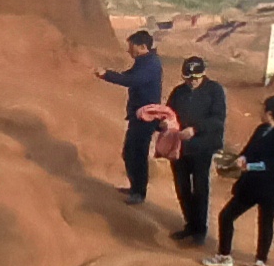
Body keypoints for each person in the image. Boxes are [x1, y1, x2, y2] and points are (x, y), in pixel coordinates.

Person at [202, 93, 274, 266]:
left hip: (272, 186)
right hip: (251, 184)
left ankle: (260, 262)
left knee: (265, 223)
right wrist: (242, 159)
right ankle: (224, 255)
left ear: (270, 112)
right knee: (227, 216)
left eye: (264, 108)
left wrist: (249, 166)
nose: (261, 111)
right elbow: (250, 149)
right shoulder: (262, 129)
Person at [164, 55, 227, 243]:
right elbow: (169, 113)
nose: (192, 81)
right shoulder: (178, 92)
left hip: (203, 148)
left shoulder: (214, 91)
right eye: (188, 78)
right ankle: (190, 225)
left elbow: (217, 119)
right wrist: (164, 123)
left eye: (196, 78)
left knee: (200, 189)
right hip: (180, 148)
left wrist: (195, 129)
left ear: (203, 74)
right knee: (182, 188)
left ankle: (200, 229)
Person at [96, 30, 164, 202]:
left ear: (142, 47)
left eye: (131, 47)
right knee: (129, 152)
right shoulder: (144, 61)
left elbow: (132, 80)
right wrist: (109, 73)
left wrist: (107, 75)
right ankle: (135, 187)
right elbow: (130, 76)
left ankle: (139, 193)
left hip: (146, 117)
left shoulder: (151, 64)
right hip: (138, 115)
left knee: (137, 153)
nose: (129, 51)